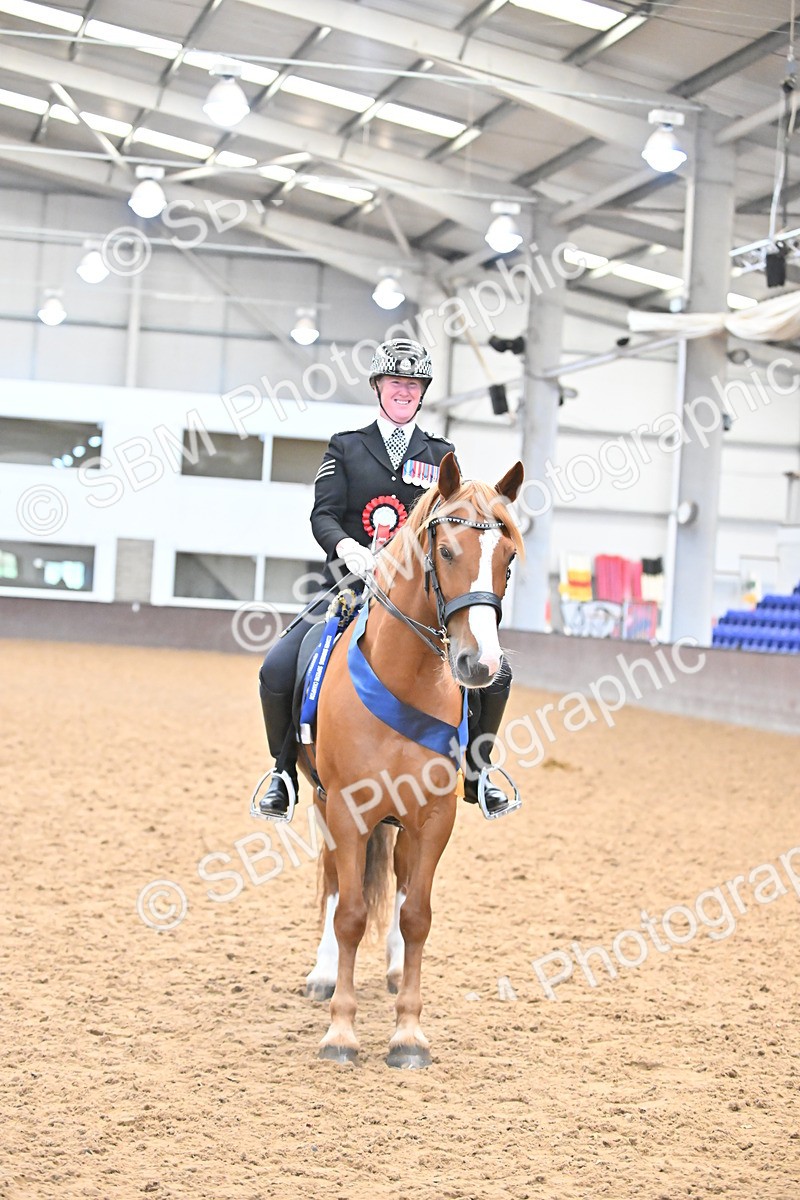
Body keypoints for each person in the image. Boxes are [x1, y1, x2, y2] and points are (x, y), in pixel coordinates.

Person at [255, 337, 517, 820]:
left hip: (420, 597)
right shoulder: (347, 447)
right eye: (396, 381)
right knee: (278, 667)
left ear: (422, 392)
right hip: (350, 585)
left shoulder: (441, 454)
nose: (404, 390)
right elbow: (323, 514)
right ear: (378, 386)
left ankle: (478, 774)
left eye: (413, 384)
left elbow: (455, 526)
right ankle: (283, 773)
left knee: (495, 675)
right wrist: (348, 549)